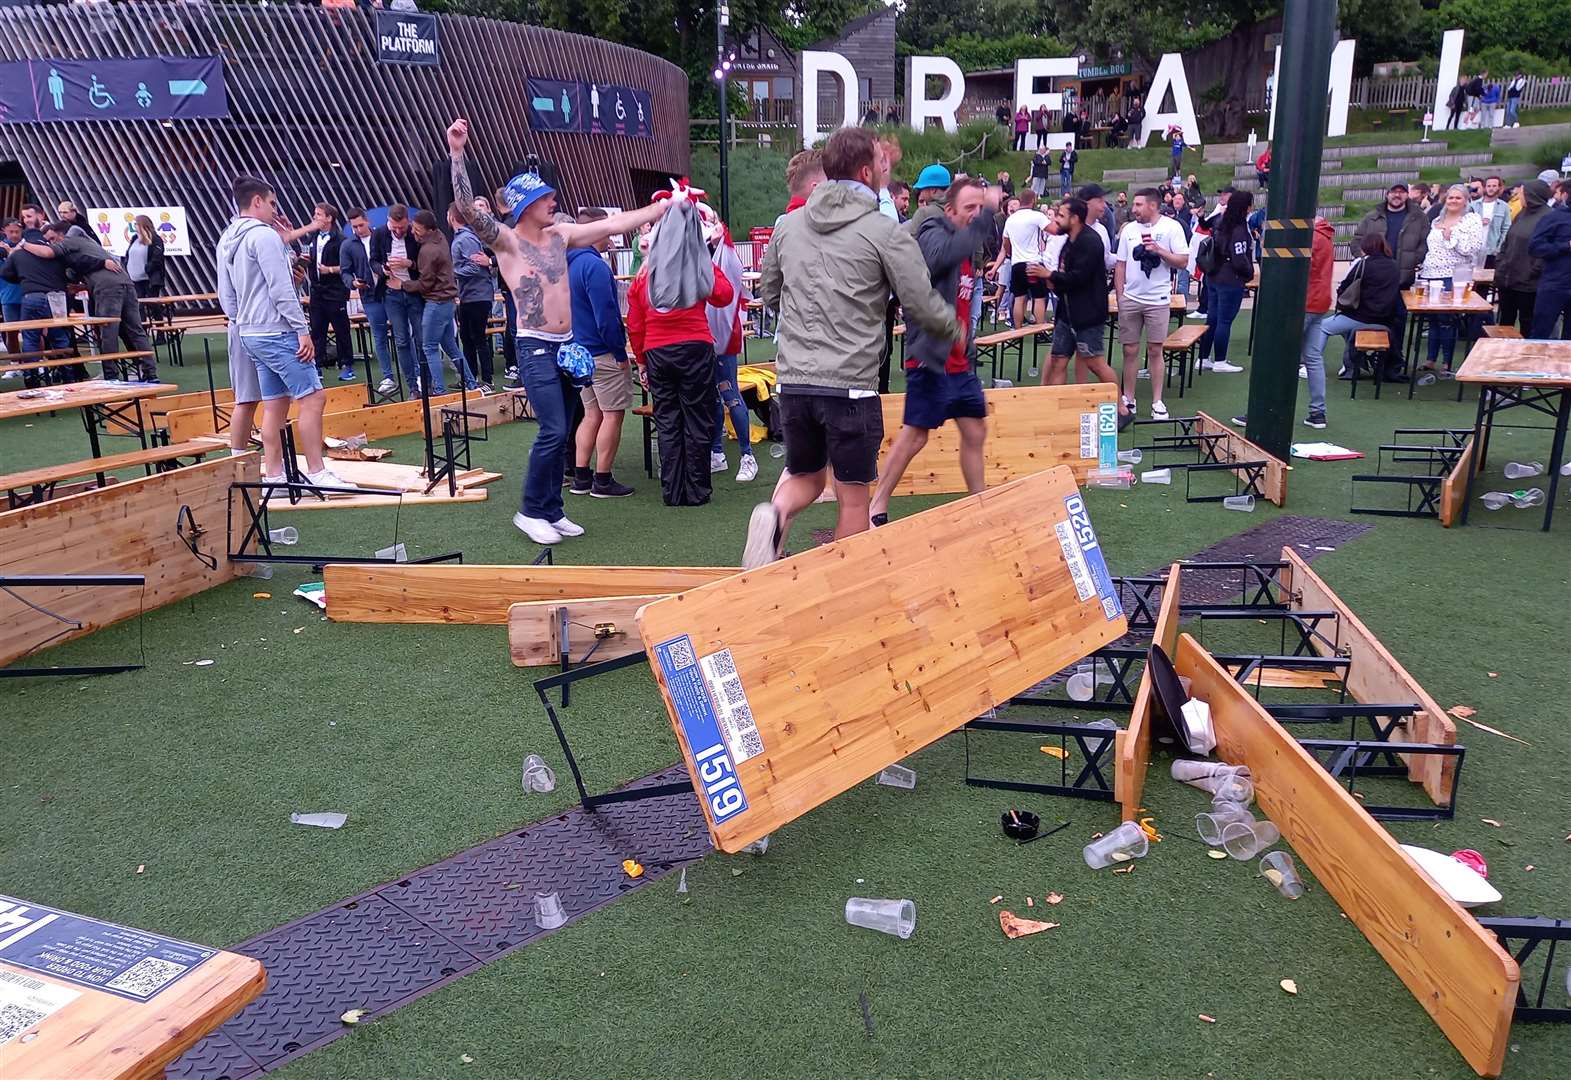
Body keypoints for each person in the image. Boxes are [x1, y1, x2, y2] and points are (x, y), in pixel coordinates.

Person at [447, 117, 670, 545]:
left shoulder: (561, 235)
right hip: (534, 347)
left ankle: (552, 508)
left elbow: (609, 226)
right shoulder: (507, 241)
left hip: (568, 346)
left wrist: (660, 208)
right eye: (544, 197)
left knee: (565, 426)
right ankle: (530, 510)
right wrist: (458, 154)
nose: (553, 201)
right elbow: (467, 210)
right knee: (552, 428)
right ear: (523, 205)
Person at [747, 126, 959, 568]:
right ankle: (846, 582)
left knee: (804, 475)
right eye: (883, 163)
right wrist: (953, 328)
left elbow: (769, 293)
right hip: (851, 387)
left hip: (795, 383)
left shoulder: (788, 226)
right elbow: (920, 300)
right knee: (853, 496)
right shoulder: (884, 231)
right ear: (867, 171)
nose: (888, 170)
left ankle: (774, 514)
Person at [868, 176, 998, 527]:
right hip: (930, 357)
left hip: (959, 361)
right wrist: (983, 219)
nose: (976, 215)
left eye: (980, 207)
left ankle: (979, 504)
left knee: (974, 432)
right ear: (950, 209)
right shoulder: (933, 231)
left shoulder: (967, 244)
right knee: (916, 434)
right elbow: (938, 260)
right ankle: (875, 506)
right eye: (969, 208)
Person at [215, 176, 349, 488]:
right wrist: (302, 330)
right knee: (314, 398)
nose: (276, 211)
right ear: (258, 201)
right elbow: (281, 287)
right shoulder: (264, 237)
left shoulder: (227, 238)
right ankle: (317, 472)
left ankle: (274, 478)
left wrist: (241, 320)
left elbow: (226, 293)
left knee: (275, 403)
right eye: (273, 203)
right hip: (276, 330)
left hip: (249, 332)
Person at [626, 205, 733, 507]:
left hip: (657, 351)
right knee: (697, 419)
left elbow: (635, 323)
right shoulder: (696, 265)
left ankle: (672, 491)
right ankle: (696, 490)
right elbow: (724, 295)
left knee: (668, 421)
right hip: (695, 347)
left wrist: (642, 361)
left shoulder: (644, 273)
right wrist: (704, 258)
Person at [18, 221, 156, 382]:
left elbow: (48, 253)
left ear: (62, 234)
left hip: (107, 288)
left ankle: (111, 376)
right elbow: (83, 266)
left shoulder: (69, 241)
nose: (51, 243)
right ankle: (150, 374)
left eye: (53, 238)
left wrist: (22, 244)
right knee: (136, 330)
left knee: (108, 331)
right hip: (126, 283)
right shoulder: (88, 243)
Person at [564, 207, 634, 499]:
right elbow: (606, 315)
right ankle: (603, 479)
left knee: (591, 414)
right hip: (601, 352)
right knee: (611, 415)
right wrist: (619, 353)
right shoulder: (595, 267)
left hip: (578, 351)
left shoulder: (567, 264)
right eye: (607, 230)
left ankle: (582, 476)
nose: (611, 236)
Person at [1045, 197, 1127, 421]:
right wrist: (1051, 282)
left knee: (1095, 363)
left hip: (1088, 315)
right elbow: (1067, 277)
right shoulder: (1068, 240)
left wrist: (1049, 276)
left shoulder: (1090, 242)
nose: (1056, 219)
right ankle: (1055, 411)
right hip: (1066, 313)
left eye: (1061, 215)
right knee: (1058, 360)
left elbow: (1078, 277)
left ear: (1075, 218)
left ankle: (1121, 407)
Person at [1115, 188, 1188, 420]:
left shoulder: (1171, 227)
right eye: (1134, 205)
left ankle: (1157, 401)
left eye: (1138, 205)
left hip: (1158, 300)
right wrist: (1120, 296)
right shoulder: (1128, 230)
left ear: (1152, 206)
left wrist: (1159, 250)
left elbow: (1183, 261)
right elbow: (1120, 265)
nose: (1133, 209)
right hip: (1131, 299)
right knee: (1129, 350)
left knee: (1156, 350)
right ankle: (1129, 398)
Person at [705, 208, 756, 484]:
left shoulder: (727, 255)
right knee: (712, 396)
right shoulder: (702, 253)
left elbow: (728, 293)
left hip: (723, 337)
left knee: (729, 393)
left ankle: (747, 455)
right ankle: (716, 452)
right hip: (702, 338)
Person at [396, 209, 472, 394]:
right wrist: (412, 265)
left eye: (417, 229)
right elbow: (432, 271)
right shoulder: (441, 238)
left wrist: (402, 284)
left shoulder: (428, 250)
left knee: (429, 347)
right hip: (447, 302)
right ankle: (472, 384)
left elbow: (425, 284)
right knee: (451, 347)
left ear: (429, 230)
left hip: (436, 302)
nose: (413, 232)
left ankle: (439, 390)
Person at [1315, 233, 1404, 383]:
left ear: (1365, 247)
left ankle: (1311, 365)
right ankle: (1350, 365)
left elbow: (1344, 287)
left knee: (1322, 327)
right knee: (1345, 329)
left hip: (1360, 316)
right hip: (1385, 319)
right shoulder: (1394, 266)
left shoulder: (1363, 264)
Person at [1415, 185, 1484, 372]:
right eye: (1450, 198)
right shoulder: (1438, 219)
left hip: (1452, 276)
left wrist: (1451, 236)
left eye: (1458, 198)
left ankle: (1447, 362)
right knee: (1433, 319)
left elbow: (1472, 249)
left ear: (1466, 200)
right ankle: (1430, 359)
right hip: (1430, 274)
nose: (1453, 201)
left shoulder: (1472, 220)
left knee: (1447, 320)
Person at [0, 215, 75, 386]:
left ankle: (31, 378)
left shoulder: (19, 254)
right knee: (59, 336)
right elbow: (68, 273)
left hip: (32, 296)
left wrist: (23, 279)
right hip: (56, 297)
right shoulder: (54, 251)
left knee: (31, 337)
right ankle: (69, 377)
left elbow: (4, 273)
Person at [1196, 188, 1254, 374]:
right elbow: (1239, 258)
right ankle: (1220, 360)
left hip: (1214, 275)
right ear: (1245, 207)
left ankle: (1203, 358)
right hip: (1230, 279)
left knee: (1212, 318)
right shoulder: (1238, 228)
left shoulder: (1221, 221)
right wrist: (1248, 273)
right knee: (1224, 320)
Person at [371, 204, 423, 395]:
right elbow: (373, 260)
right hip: (391, 293)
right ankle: (412, 387)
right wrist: (382, 269)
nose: (399, 231)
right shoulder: (380, 234)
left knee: (421, 338)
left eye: (402, 227)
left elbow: (424, 264)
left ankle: (427, 382)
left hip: (414, 291)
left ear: (407, 222)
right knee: (401, 340)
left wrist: (409, 263)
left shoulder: (414, 235)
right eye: (395, 228)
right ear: (388, 222)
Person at [339, 208, 393, 392]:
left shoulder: (380, 237)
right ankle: (388, 376)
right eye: (354, 226)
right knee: (379, 337)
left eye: (361, 225)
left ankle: (416, 373)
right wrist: (353, 282)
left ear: (368, 221)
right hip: (369, 295)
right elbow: (344, 272)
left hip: (391, 290)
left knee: (403, 335)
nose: (358, 229)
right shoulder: (348, 245)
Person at [301, 202, 354, 382]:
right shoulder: (311, 238)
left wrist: (330, 270)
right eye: (314, 214)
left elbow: (347, 266)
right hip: (316, 292)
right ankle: (317, 366)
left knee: (341, 330)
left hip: (335, 292)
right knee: (317, 330)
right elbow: (306, 257)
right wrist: (304, 261)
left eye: (318, 214)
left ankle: (347, 365)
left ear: (329, 218)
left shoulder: (341, 240)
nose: (315, 217)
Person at [1293, 217, 1336, 428]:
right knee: (1313, 357)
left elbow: (1301, 267)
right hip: (1320, 301)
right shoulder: (1325, 234)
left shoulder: (1310, 235)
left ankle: (1265, 409)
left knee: (1280, 358)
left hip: (1305, 301)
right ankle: (1318, 412)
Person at [1495, 180, 1551, 334]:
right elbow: (1508, 240)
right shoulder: (1522, 214)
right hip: (1508, 278)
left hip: (1529, 283)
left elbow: (1547, 250)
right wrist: (1500, 264)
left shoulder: (1548, 217)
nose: (1518, 196)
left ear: (1531, 195)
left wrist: (1533, 271)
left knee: (1527, 322)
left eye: (1522, 193)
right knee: (1505, 322)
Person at [449, 203, 495, 391]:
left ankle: (488, 380)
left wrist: (453, 272)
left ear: (451, 217)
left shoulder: (466, 239)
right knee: (466, 337)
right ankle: (471, 378)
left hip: (478, 295)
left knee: (477, 338)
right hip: (469, 296)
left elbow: (476, 266)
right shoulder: (461, 238)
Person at [992, 189, 1052, 329]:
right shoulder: (1037, 216)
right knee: (1039, 297)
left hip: (1017, 263)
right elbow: (1052, 229)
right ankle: (1040, 329)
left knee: (1019, 298)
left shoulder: (1010, 220)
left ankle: (1017, 330)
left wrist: (1012, 252)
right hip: (1033, 262)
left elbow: (1005, 244)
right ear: (1033, 200)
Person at [1354, 184, 1429, 290]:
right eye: (1393, 192)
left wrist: (1413, 260)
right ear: (1387, 194)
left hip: (1404, 281)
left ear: (1407, 195)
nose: (1397, 195)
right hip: (1375, 280)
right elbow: (1357, 241)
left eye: (1401, 192)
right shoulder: (1371, 217)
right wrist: (1365, 258)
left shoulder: (1419, 217)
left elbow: (1425, 243)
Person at [1528, 194, 1571, 339]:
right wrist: (1565, 246)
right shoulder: (1554, 218)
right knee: (1540, 333)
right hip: (1555, 284)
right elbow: (1535, 247)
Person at [1470, 176, 1511, 270]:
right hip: (1474, 251)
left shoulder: (1504, 207)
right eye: (1488, 186)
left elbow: (1506, 229)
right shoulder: (1473, 205)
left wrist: (1499, 248)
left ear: (1499, 188)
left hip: (1492, 251)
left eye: (1494, 186)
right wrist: (1478, 222)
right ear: (1484, 187)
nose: (1491, 188)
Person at [123, 214, 165, 298]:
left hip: (150, 279)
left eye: (136, 224)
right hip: (134, 279)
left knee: (152, 304)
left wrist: (147, 269)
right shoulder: (135, 238)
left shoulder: (155, 239)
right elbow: (128, 254)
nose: (134, 226)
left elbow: (157, 257)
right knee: (139, 304)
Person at [0, 219, 22, 362]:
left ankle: (36, 364)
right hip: (7, 297)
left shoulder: (27, 246)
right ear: (4, 232)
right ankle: (15, 364)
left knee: (33, 332)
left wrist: (11, 252)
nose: (14, 235)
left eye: (17, 232)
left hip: (27, 295)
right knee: (11, 333)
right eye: (11, 232)